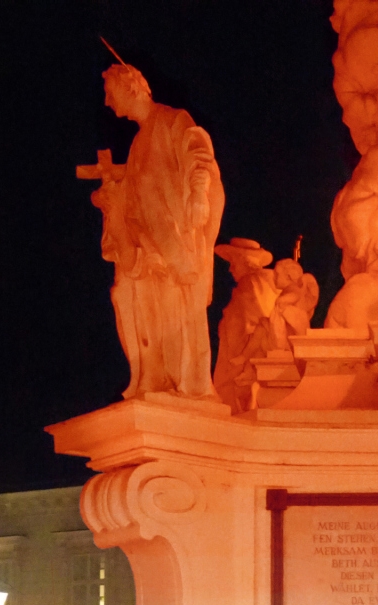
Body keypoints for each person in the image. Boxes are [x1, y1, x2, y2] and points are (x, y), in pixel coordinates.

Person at [83, 62, 224, 400]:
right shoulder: (136, 145)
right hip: (151, 252)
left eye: (109, 92)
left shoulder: (172, 120)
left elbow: (198, 152)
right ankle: (156, 379)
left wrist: (198, 193)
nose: (107, 102)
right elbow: (133, 202)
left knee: (183, 323)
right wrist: (111, 202)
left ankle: (191, 388)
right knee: (148, 314)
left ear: (130, 87)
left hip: (176, 246)